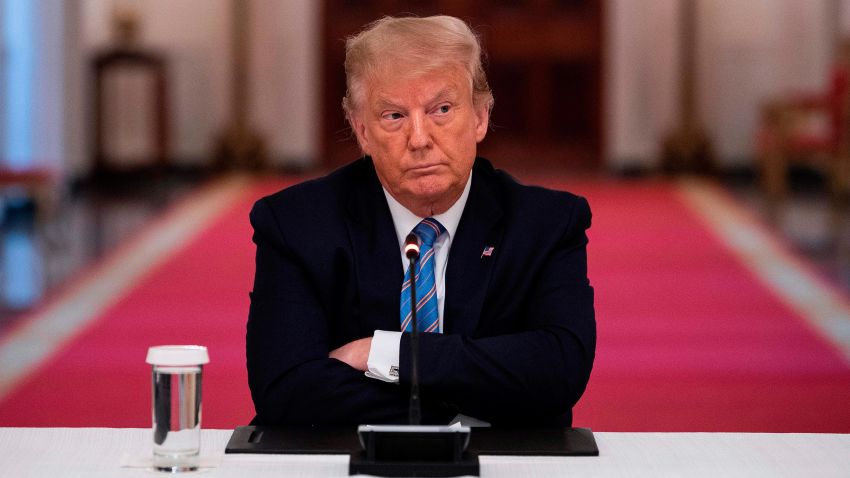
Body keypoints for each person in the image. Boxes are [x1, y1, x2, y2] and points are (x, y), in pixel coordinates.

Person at [246, 15, 595, 427]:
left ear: (480, 117)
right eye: (393, 116)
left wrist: (385, 355)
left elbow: (558, 370)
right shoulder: (298, 225)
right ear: (361, 131)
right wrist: (466, 402)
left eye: (441, 110)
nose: (419, 138)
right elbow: (284, 389)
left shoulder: (546, 224)